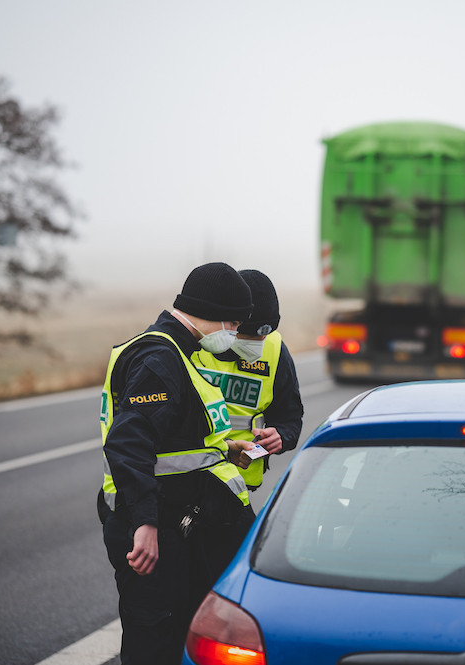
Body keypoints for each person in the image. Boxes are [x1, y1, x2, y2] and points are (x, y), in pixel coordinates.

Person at [97, 261, 256, 665]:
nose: (234, 333)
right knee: (156, 646)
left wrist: (224, 448)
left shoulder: (175, 352)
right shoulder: (159, 358)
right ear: (213, 311)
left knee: (177, 637)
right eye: (234, 323)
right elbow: (128, 443)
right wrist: (145, 523)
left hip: (176, 526)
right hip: (159, 528)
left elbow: (173, 439)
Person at [191, 269, 304, 498]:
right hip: (189, 478)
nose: (261, 343)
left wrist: (280, 436)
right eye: (253, 335)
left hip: (239, 486)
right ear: (232, 323)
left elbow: (290, 418)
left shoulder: (275, 349)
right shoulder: (192, 346)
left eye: (265, 335)